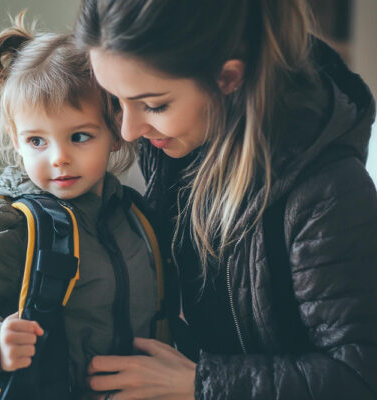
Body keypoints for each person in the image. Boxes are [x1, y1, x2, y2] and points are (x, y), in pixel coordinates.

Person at [74, 0, 377, 399]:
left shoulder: (329, 191)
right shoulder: (177, 148)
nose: (129, 130)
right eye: (116, 100)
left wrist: (201, 383)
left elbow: (358, 378)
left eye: (154, 105)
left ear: (229, 78)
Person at [0, 12, 161, 400]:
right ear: (15, 139)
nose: (59, 158)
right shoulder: (6, 220)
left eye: (80, 136)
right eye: (37, 141)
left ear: (116, 131)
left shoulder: (133, 216)